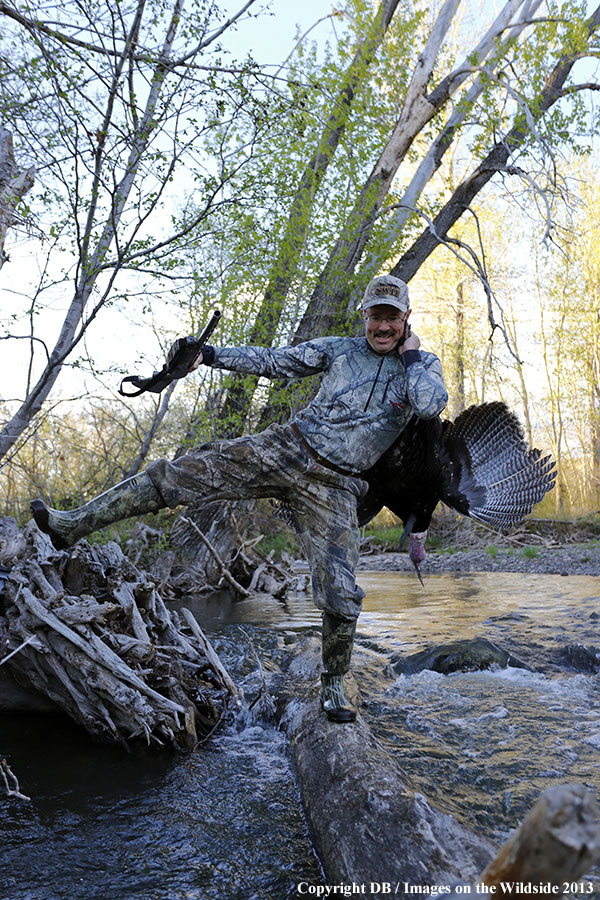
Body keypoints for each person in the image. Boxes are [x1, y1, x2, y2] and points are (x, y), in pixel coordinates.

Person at [31, 275, 448, 724]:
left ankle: (332, 686)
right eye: (375, 316)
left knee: (342, 593)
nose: (382, 326)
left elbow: (429, 406)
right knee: (179, 475)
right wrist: (208, 356)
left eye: (392, 317)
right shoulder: (338, 350)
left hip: (337, 487)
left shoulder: (422, 367)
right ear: (364, 316)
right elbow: (273, 360)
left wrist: (413, 358)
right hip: (287, 448)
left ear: (406, 319)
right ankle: (70, 524)